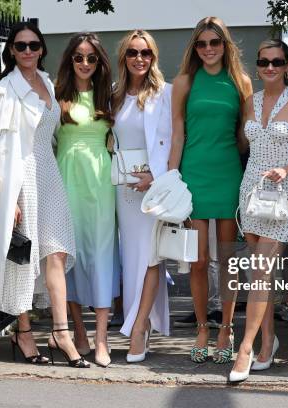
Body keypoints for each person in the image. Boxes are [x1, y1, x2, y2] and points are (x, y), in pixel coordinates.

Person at [0, 22, 89, 368]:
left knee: (55, 251)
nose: (27, 51)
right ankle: (23, 331)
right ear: (11, 50)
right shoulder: (2, 91)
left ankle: (61, 332)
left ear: (41, 48)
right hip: (19, 176)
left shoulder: (49, 83)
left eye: (33, 45)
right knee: (22, 256)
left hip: (48, 170)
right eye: (21, 46)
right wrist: (4, 199)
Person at [168, 16, 253, 364]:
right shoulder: (185, 81)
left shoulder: (241, 81)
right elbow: (177, 132)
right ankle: (203, 326)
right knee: (199, 261)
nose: (207, 49)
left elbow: (246, 135)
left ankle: (226, 330)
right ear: (195, 47)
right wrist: (172, 177)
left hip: (229, 174)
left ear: (225, 45)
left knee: (229, 260)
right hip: (194, 175)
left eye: (214, 43)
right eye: (201, 44)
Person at [229, 39, 288, 383]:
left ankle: (244, 350)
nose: (269, 67)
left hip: (284, 193)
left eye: (277, 61)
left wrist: (287, 169)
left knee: (261, 271)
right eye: (263, 61)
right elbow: (243, 146)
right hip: (251, 192)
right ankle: (268, 343)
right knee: (259, 274)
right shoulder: (250, 101)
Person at [55, 32, 120, 368]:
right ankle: (78, 331)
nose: (84, 63)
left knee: (102, 253)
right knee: (71, 253)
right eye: (78, 57)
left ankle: (102, 337)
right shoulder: (56, 95)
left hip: (101, 180)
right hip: (66, 179)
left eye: (91, 57)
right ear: (69, 60)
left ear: (99, 62)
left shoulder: (109, 97)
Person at [110, 30, 173, 362]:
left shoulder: (167, 94)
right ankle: (139, 322)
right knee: (130, 259)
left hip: (154, 189)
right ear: (124, 57)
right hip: (122, 190)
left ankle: (140, 326)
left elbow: (178, 142)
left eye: (146, 53)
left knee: (150, 258)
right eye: (133, 52)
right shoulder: (114, 96)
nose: (139, 58)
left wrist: (157, 177)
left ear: (154, 57)